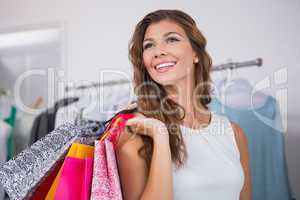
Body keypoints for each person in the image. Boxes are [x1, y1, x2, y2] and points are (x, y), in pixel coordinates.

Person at [115, 9, 252, 200]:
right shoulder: (136, 137)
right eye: (149, 45)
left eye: (171, 39)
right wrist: (160, 136)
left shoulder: (234, 133)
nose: (158, 51)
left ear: (196, 53)